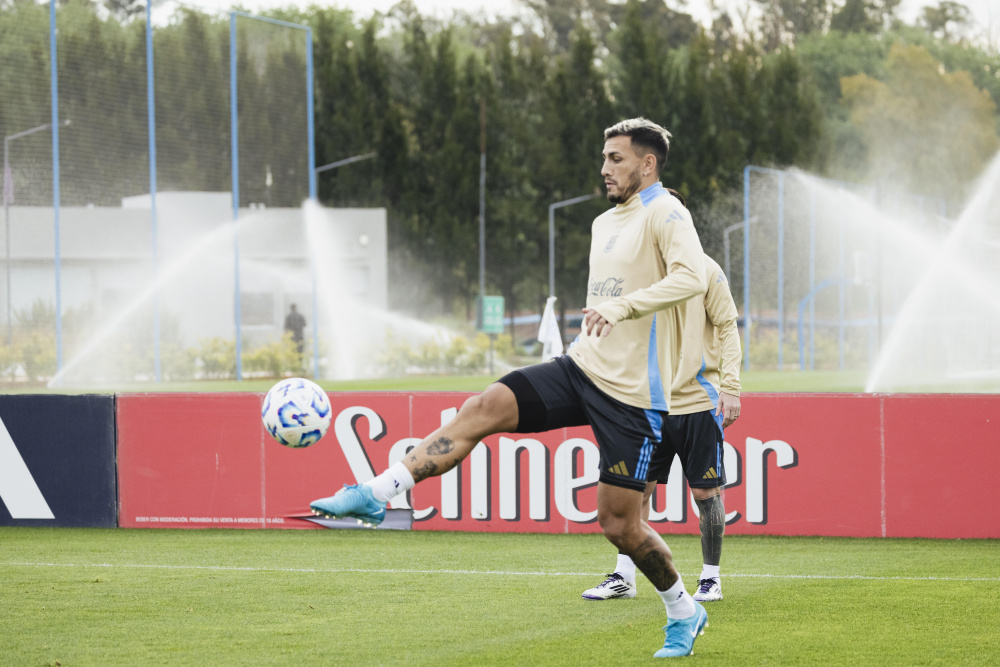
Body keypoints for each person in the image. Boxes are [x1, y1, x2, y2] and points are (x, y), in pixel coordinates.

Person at [310, 118, 710, 658]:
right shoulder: (603, 223)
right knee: (485, 405)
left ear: (647, 163)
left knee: (619, 524)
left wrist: (622, 306)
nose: (604, 168)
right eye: (604, 157)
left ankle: (683, 610)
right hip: (579, 368)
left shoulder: (667, 211)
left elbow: (692, 278)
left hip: (634, 398)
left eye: (616, 158)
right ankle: (377, 494)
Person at [582, 241, 742, 605]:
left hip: (696, 401)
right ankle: (624, 576)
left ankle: (710, 579)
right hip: (648, 403)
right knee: (635, 491)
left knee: (705, 494)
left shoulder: (706, 269)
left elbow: (728, 327)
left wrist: (731, 387)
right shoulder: (638, 274)